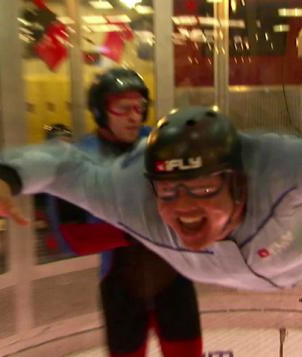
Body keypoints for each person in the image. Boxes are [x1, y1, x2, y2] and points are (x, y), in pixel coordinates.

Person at [0, 33, 302, 292]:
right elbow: (64, 166)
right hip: (258, 263)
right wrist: (2, 178)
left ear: (239, 180)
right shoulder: (135, 194)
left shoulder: (277, 169)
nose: (182, 207)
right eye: (169, 190)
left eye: (203, 187)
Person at [38, 70, 203, 357]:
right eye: (123, 108)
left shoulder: (162, 145)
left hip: (175, 283)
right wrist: (137, 227)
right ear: (101, 112)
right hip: (122, 290)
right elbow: (71, 237)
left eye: (139, 107)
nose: (134, 116)